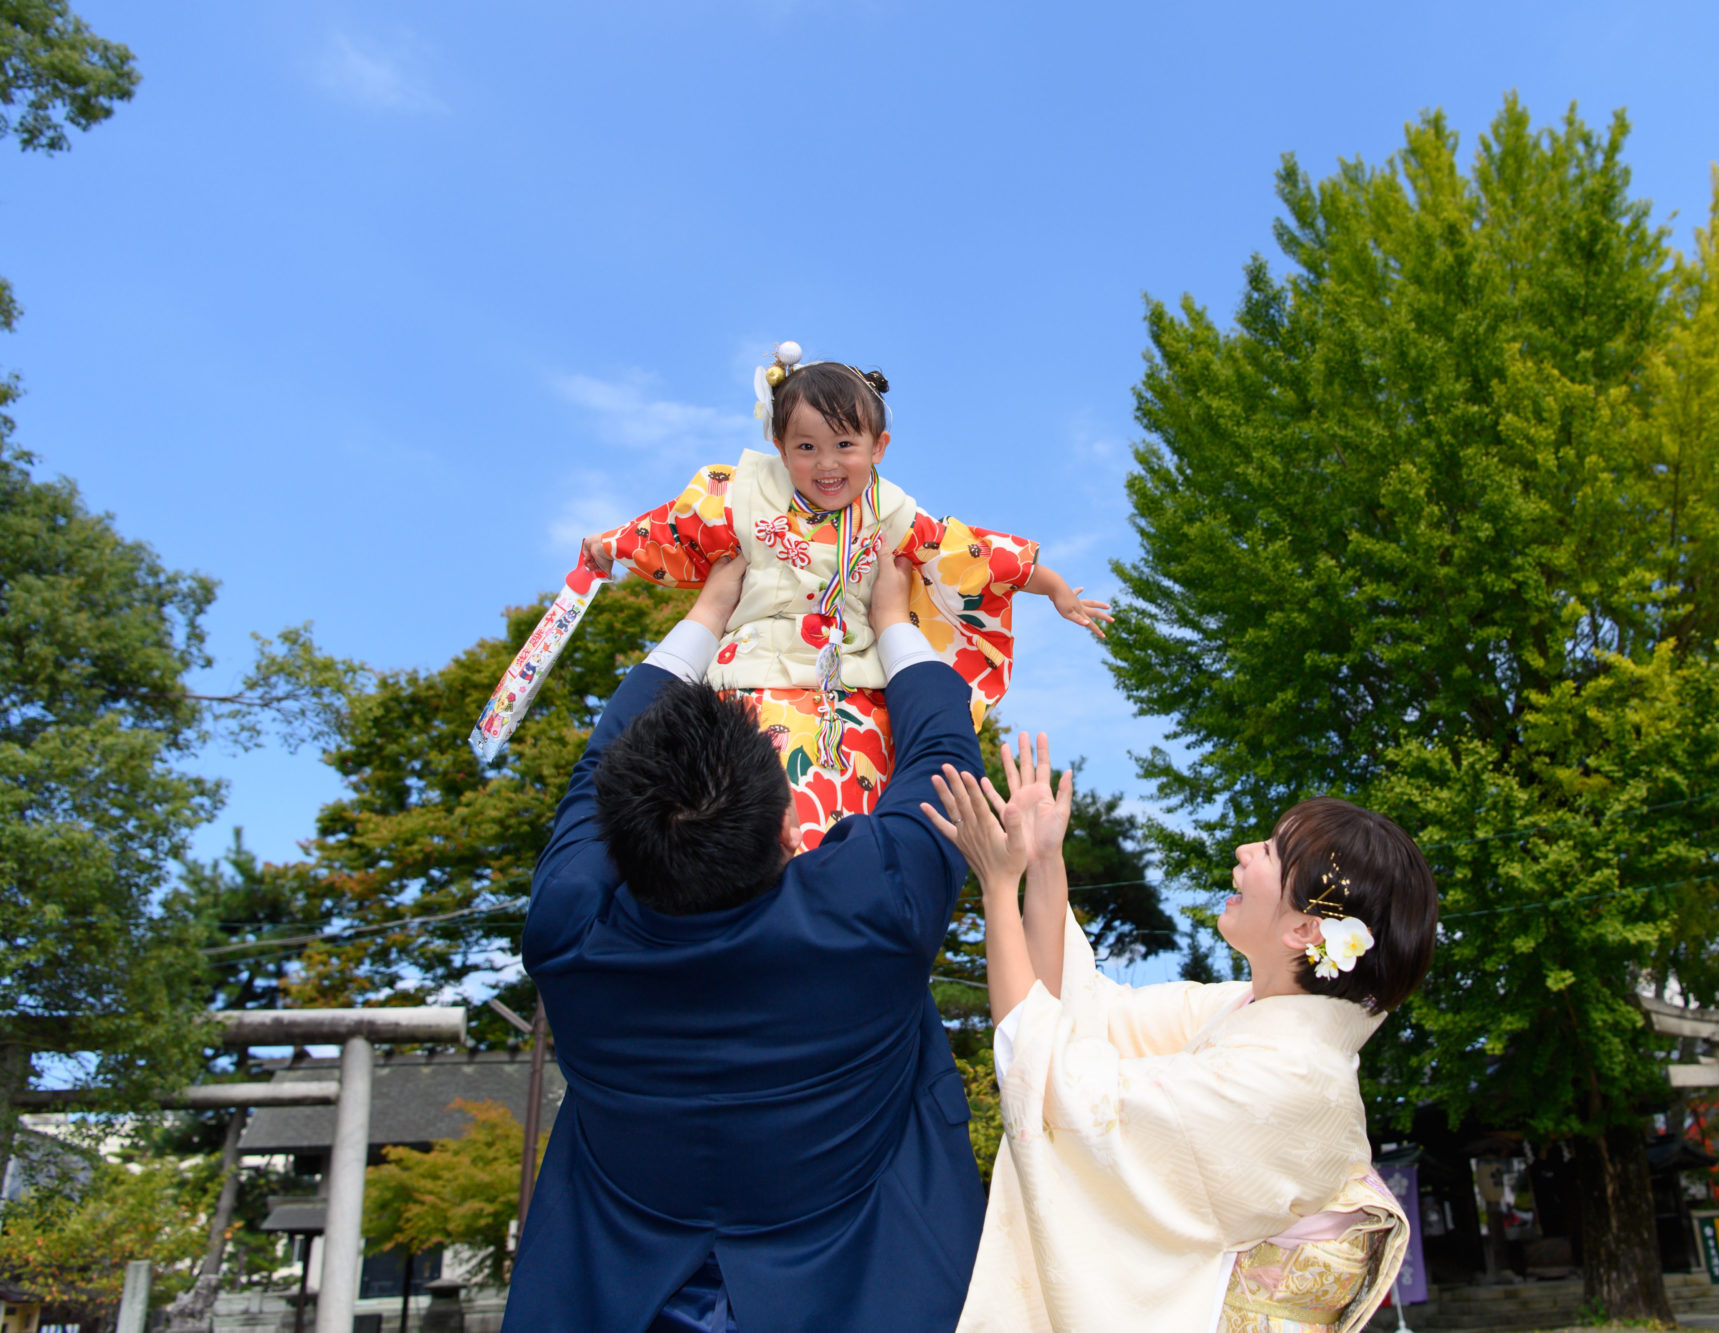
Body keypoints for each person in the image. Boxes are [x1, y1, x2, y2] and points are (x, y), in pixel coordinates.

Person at [501, 549, 987, 1333]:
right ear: (794, 828)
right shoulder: (871, 906)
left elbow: (596, 770)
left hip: (615, 1297)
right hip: (866, 1288)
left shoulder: (567, 931)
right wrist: (893, 619)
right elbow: (943, 762)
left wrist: (705, 612)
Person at [924, 739, 1438, 1332]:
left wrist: (997, 887)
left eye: (1271, 851)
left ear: (1304, 929)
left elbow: (1055, 1081)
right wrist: (1042, 862)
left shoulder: (1289, 1079)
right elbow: (1078, 1013)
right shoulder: (1247, 1014)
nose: (1245, 851)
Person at [574, 341, 1111, 851]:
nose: (826, 463)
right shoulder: (742, 495)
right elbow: (675, 525)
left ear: (879, 447)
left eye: (844, 446)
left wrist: (1052, 586)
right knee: (732, 820)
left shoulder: (893, 515)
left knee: (843, 823)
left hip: (851, 695)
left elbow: (970, 554)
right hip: (741, 685)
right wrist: (613, 544)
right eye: (806, 447)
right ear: (779, 446)